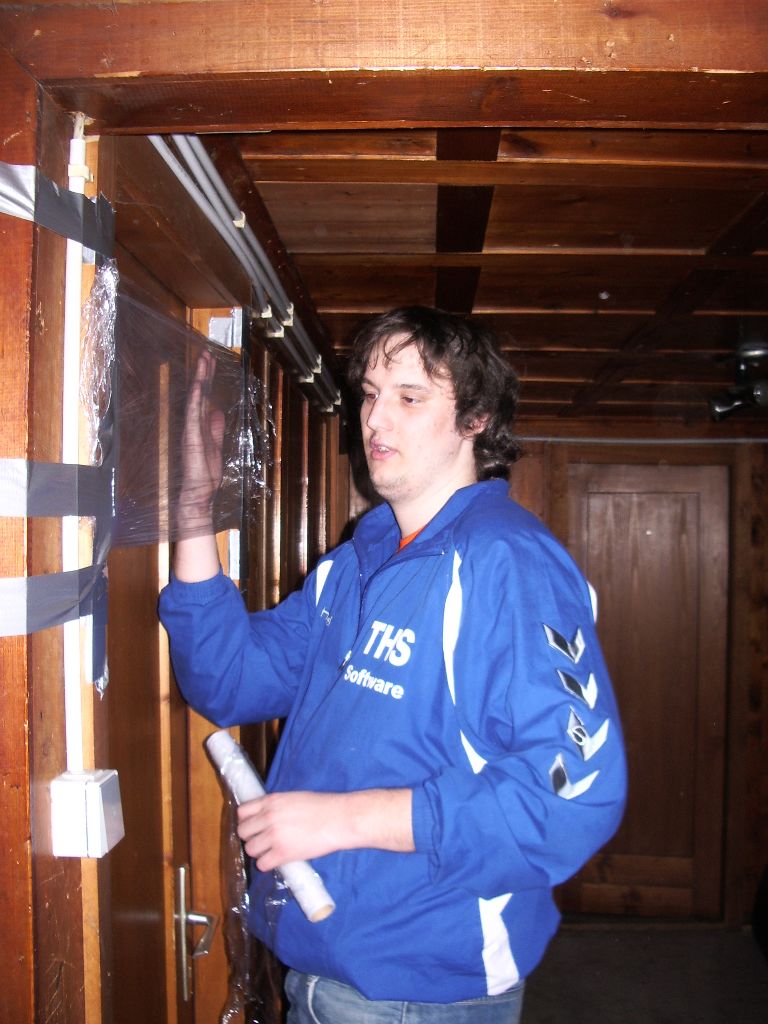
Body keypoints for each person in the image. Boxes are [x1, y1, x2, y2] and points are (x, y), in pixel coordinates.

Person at [159, 306, 627, 1023]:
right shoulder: (355, 564)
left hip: (420, 992)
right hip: (322, 970)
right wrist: (194, 508)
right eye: (371, 394)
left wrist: (344, 820)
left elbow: (571, 799)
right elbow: (227, 678)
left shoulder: (506, 563)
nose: (376, 419)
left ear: (475, 419)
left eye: (410, 398)